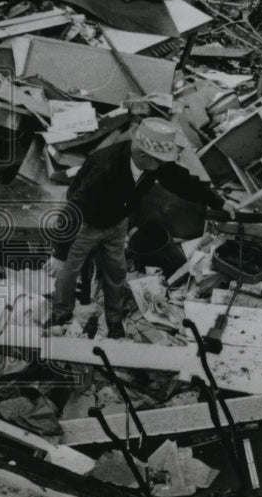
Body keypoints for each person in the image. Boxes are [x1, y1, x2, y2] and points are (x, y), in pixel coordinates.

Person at [47, 117, 236, 337]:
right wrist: (59, 252)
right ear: (143, 155)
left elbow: (181, 181)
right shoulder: (103, 167)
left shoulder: (154, 164)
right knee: (69, 269)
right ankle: (60, 316)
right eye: (160, 162)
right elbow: (74, 209)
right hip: (88, 222)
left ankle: (114, 321)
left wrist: (218, 201)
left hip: (118, 222)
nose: (163, 166)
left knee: (116, 271)